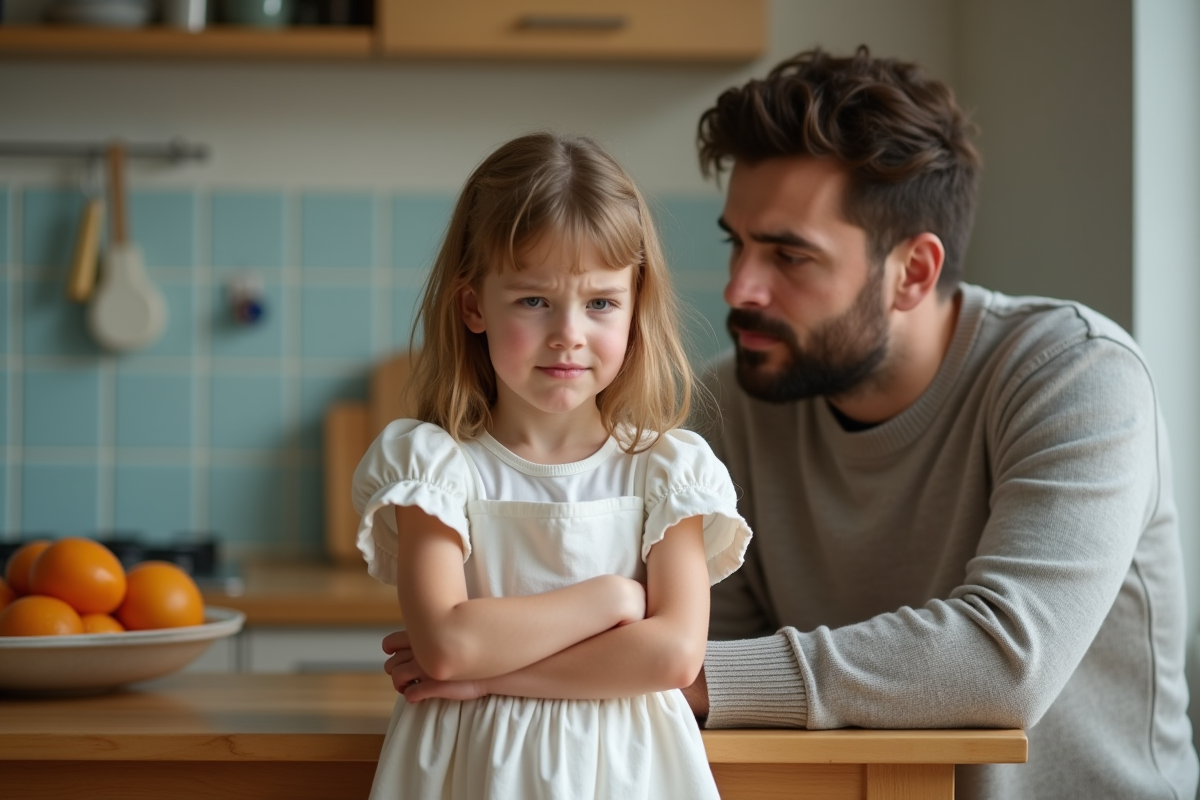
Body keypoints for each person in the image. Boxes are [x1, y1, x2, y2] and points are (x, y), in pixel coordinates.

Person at [684, 46, 1199, 799]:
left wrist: (666, 666)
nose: (739, 288)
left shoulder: (1076, 373)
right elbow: (716, 674)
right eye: (738, 243)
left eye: (789, 256)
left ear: (914, 272)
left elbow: (1004, 662)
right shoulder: (728, 408)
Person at [352, 132, 751, 800]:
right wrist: (616, 600)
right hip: (470, 772)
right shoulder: (434, 468)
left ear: (634, 305)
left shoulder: (667, 470)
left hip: (631, 774)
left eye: (600, 302)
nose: (569, 332)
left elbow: (673, 656)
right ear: (474, 305)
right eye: (534, 300)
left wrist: (490, 677)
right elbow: (448, 645)